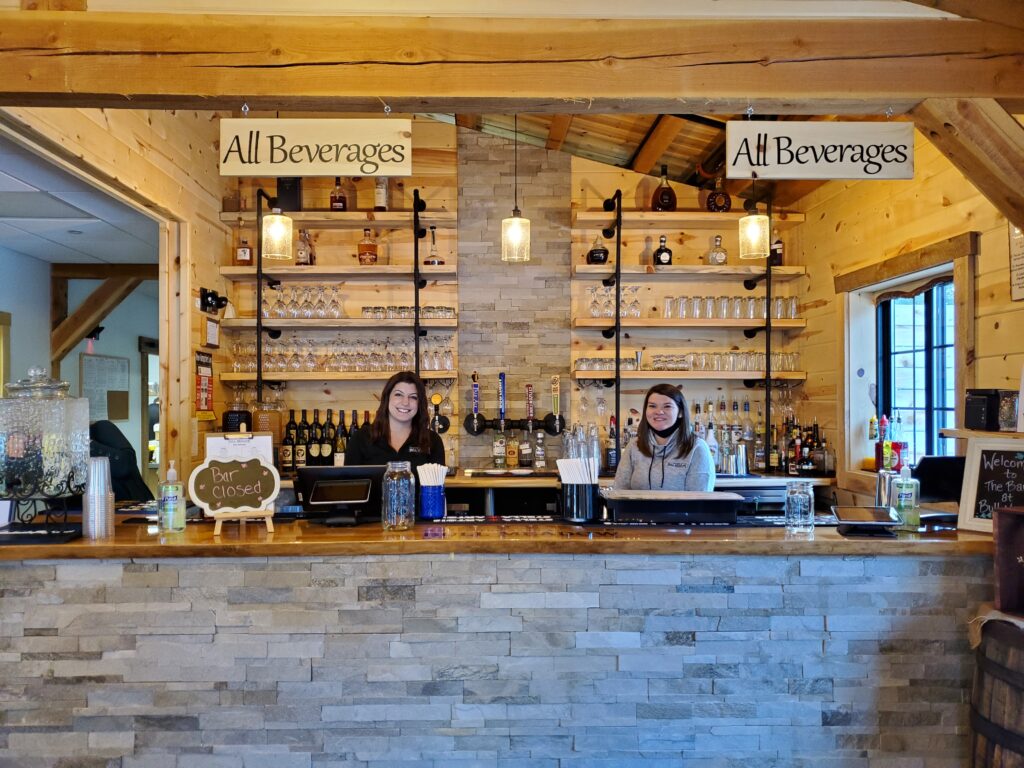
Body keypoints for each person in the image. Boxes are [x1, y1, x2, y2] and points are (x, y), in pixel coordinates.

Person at [612, 383, 715, 491]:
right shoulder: (634, 446)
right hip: (636, 509)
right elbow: (619, 492)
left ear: (680, 412)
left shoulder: (696, 448)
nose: (659, 412)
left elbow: (700, 502)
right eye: (652, 406)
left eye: (667, 406)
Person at [344, 371, 445, 468]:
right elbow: (351, 483)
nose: (405, 402)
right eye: (398, 394)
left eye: (413, 397)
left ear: (420, 403)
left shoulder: (433, 441)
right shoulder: (360, 438)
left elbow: (437, 484)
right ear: (387, 398)